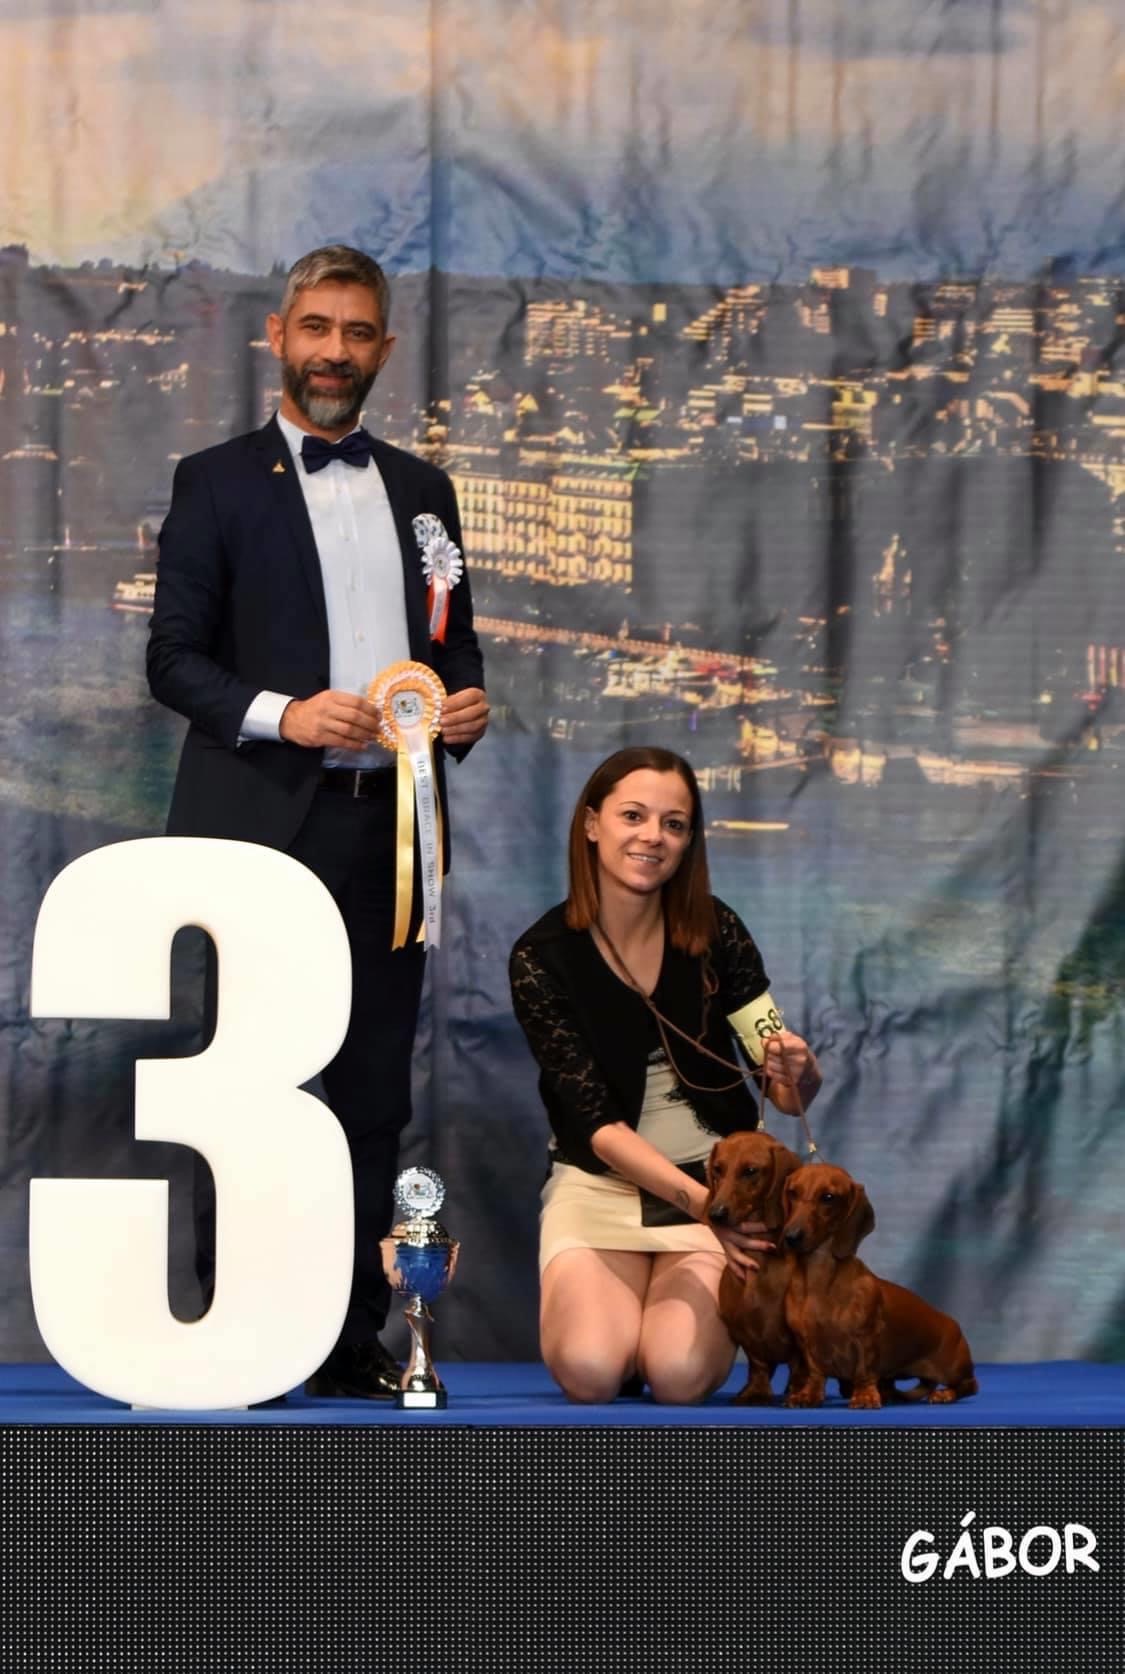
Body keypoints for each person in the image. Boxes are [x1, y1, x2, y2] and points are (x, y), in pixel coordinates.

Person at [147, 245, 488, 1399]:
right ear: (279, 338)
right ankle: (232, 1327)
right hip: (257, 830)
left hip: (389, 834)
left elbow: (452, 653)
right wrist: (286, 716)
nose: (334, 351)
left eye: (356, 332)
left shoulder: (427, 490)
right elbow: (172, 660)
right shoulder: (213, 481)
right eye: (316, 328)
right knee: (242, 1082)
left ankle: (349, 1342)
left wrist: (465, 707)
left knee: (373, 1095)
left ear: (384, 348)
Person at [509, 746, 822, 1404]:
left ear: (687, 842)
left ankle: (657, 1328)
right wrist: (702, 1207)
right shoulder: (541, 956)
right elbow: (596, 1126)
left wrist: (799, 1070)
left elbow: (784, 1091)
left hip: (723, 1197)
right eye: (633, 815)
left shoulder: (719, 929)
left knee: (679, 1378)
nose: (652, 836)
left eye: (673, 824)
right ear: (591, 824)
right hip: (603, 1190)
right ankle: (625, 1329)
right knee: (590, 1372)